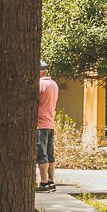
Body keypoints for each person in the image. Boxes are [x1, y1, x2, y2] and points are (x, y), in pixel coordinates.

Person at [37, 61, 59, 192]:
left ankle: (43, 183)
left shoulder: (40, 84)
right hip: (50, 123)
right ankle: (51, 181)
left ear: (40, 71)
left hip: (40, 124)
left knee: (41, 154)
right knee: (50, 154)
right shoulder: (54, 84)